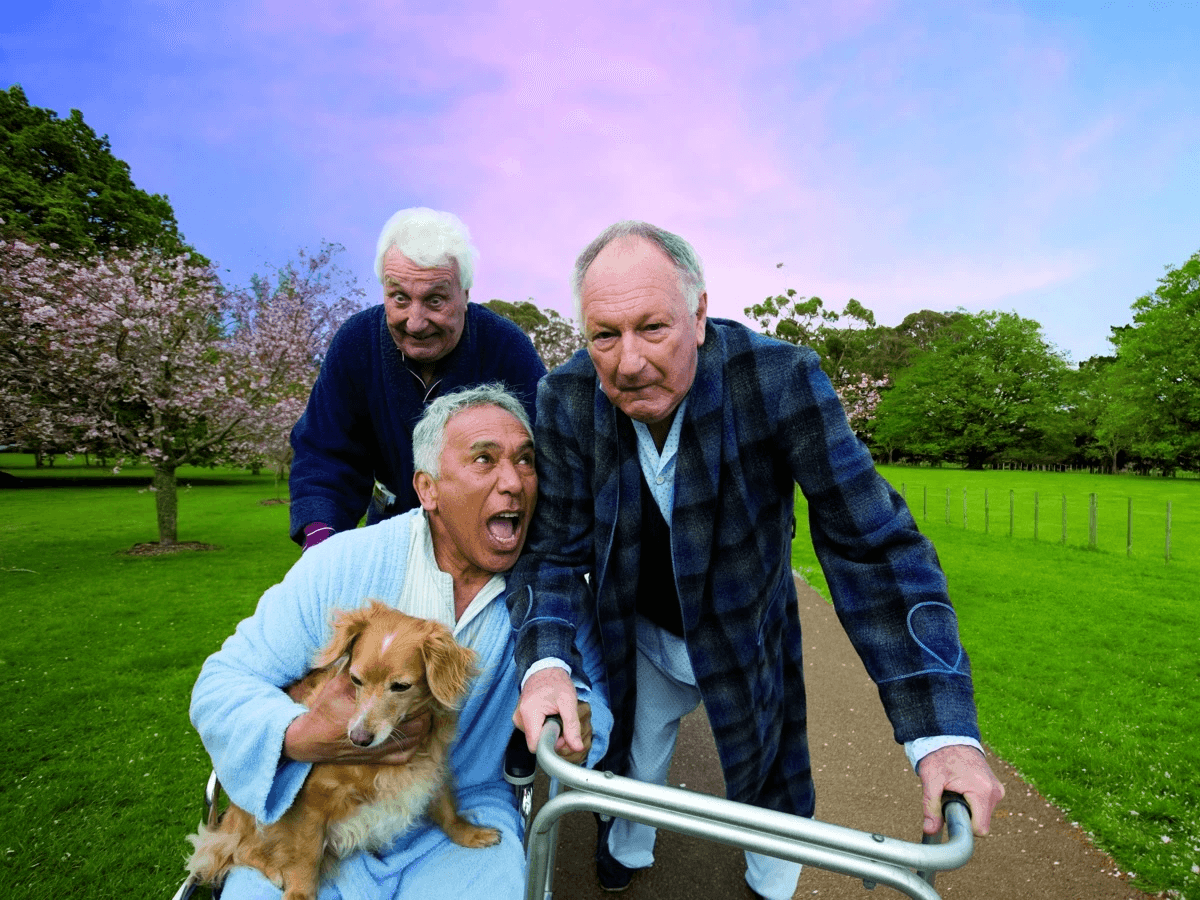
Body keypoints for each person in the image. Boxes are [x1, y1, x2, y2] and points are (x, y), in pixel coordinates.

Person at [507, 221, 1005, 899]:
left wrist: (943, 732)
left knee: (769, 776)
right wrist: (545, 665)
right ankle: (623, 848)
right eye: (604, 335)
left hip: (747, 633)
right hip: (642, 634)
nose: (626, 362)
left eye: (652, 328)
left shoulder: (779, 380)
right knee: (628, 765)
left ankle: (769, 883)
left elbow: (872, 545)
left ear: (700, 315)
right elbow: (553, 554)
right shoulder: (565, 398)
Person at [192, 385, 611, 900]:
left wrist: (579, 727)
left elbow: (596, 704)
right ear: (428, 488)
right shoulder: (341, 564)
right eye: (485, 460)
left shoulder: (554, 594)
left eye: (526, 461)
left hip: (462, 805)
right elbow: (220, 685)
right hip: (312, 815)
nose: (514, 482)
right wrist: (298, 735)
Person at [288, 208, 547, 551]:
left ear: (465, 295)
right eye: (400, 298)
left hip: (489, 541)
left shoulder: (507, 348)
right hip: (392, 534)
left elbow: (548, 458)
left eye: (435, 300)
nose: (415, 322)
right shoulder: (355, 344)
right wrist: (321, 544)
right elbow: (325, 454)